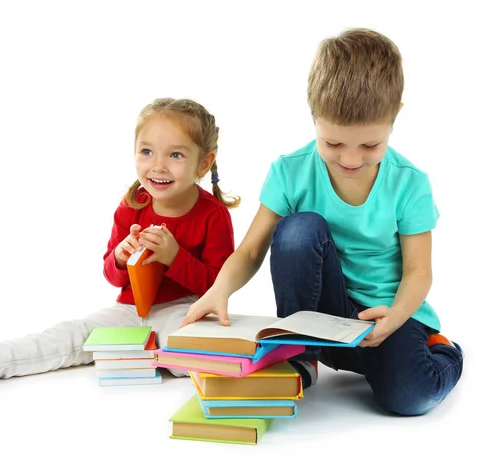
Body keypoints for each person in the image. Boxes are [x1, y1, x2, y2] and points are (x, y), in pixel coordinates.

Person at [182, 28, 464, 416]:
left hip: (387, 317)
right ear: (313, 115)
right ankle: (303, 354)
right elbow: (250, 249)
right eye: (333, 144)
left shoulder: (409, 183)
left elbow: (419, 271)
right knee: (298, 230)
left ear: (395, 115)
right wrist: (220, 290)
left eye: (369, 145)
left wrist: (397, 316)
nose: (350, 159)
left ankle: (441, 351)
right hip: (322, 321)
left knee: (410, 398)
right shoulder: (289, 172)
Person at [0, 97, 240, 388]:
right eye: (146, 151)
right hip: (129, 311)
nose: (157, 166)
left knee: (199, 351)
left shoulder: (212, 215)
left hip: (183, 310)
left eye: (175, 155)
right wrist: (120, 256)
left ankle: (147, 354)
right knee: (68, 336)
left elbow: (216, 285)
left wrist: (175, 257)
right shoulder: (132, 204)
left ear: (203, 163)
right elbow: (112, 275)